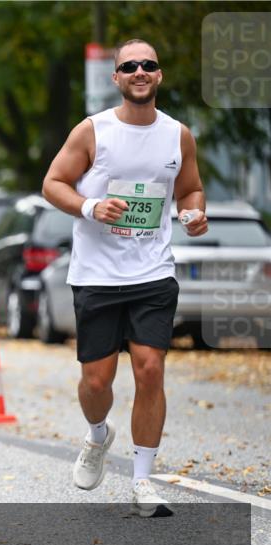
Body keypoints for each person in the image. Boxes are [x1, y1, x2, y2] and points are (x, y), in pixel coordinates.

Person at [42, 39, 207, 518]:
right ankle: (97, 435)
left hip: (152, 271)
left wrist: (194, 214)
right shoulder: (94, 130)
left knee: (150, 369)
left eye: (149, 65)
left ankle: (142, 481)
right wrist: (91, 206)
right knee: (97, 381)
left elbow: (191, 190)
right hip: (96, 273)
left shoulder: (178, 135)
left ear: (159, 76)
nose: (140, 71)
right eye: (129, 65)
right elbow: (53, 183)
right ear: (116, 78)